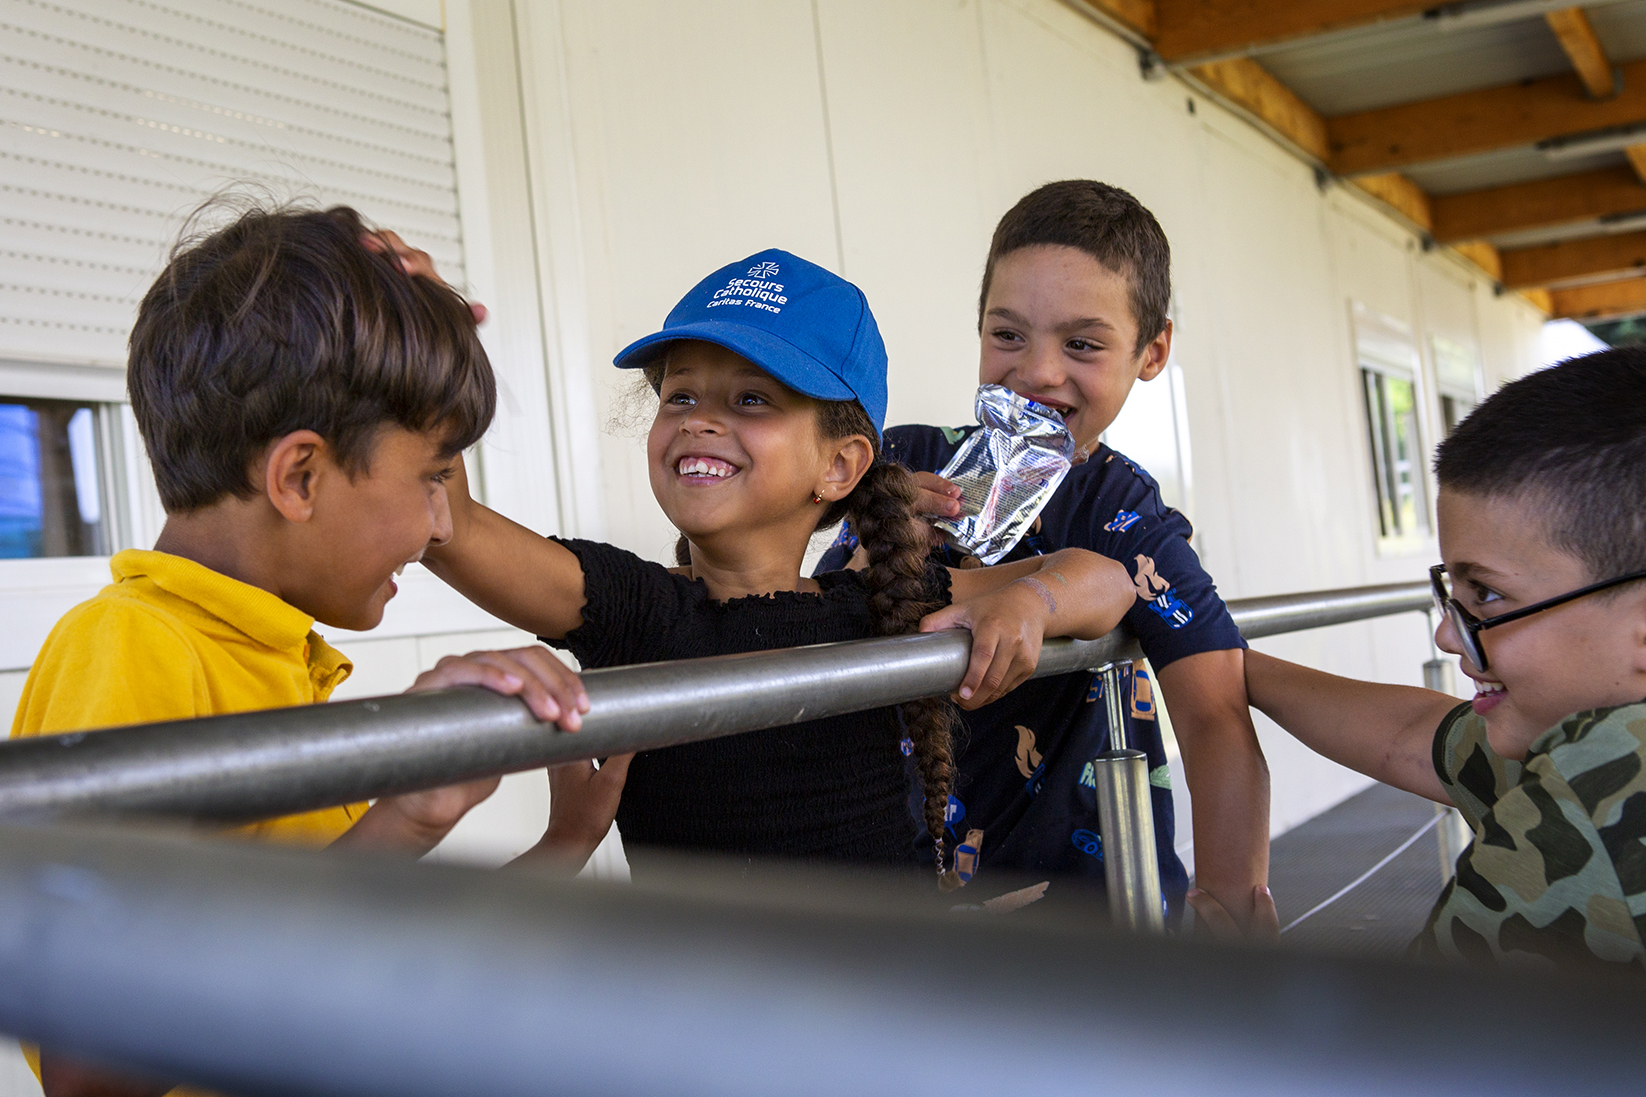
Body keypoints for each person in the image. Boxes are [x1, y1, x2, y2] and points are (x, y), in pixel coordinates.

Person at [10, 204, 594, 1097]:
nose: (443, 524)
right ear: (299, 476)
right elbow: (89, 1073)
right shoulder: (133, 645)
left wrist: (564, 843)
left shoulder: (275, 653)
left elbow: (320, 962)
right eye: (434, 476)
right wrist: (406, 819)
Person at [423, 247, 1140, 882]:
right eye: (680, 395)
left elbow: (1104, 581)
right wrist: (421, 342)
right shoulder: (632, 608)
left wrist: (1031, 602)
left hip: (884, 1001)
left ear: (839, 464)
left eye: (751, 398)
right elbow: (450, 526)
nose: (699, 418)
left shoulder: (879, 604)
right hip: (714, 1018)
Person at [816, 181, 1268, 928]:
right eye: (1008, 334)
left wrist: (1230, 905)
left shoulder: (1124, 515)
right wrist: (878, 538)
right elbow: (781, 574)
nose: (1038, 371)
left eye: (1083, 344)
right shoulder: (900, 464)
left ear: (1151, 352)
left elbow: (1217, 713)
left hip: (1093, 926)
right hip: (894, 906)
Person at [1233, 348, 1646, 970]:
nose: (1449, 638)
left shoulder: (1601, 785)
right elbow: (1411, 735)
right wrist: (1220, 657)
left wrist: (1241, 976)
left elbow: (1397, 1052)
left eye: (1489, 595)